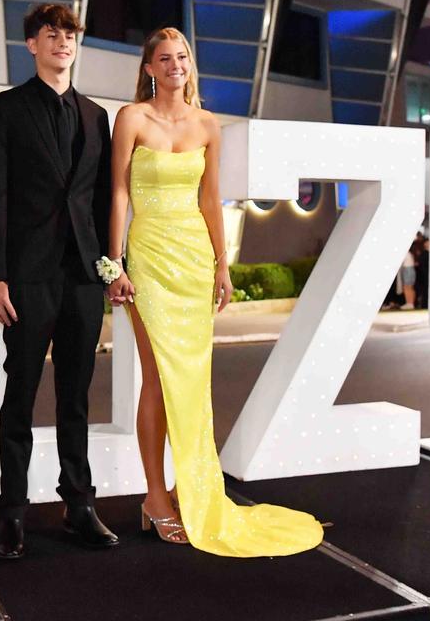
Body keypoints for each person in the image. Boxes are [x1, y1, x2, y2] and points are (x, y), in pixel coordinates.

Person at [102, 27, 323, 556]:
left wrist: (222, 267)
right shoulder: (130, 118)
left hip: (194, 260)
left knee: (193, 382)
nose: (176, 65)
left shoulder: (208, 125)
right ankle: (154, 498)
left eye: (182, 57)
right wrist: (115, 266)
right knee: (156, 377)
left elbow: (211, 199)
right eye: (165, 58)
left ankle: (189, 488)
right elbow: (116, 194)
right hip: (149, 260)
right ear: (149, 68)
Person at [0, 3, 119, 559]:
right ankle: (11, 510)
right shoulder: (4, 109)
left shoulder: (95, 115)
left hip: (84, 276)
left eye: (69, 34)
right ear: (31, 45)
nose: (62, 41)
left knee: (76, 395)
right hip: (28, 277)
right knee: (20, 393)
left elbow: (105, 197)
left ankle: (78, 504)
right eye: (51, 34)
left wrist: (112, 262)